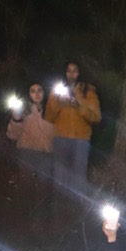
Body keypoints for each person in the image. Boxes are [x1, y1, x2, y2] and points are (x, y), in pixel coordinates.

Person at [44, 62, 101, 192]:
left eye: (75, 70)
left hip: (81, 139)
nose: (71, 74)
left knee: (79, 176)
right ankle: (60, 206)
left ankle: (77, 208)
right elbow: (48, 117)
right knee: (60, 176)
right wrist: (59, 103)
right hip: (61, 138)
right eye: (68, 71)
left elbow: (96, 117)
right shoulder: (57, 91)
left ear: (80, 72)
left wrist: (78, 106)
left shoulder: (89, 91)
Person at [6, 82, 54, 179]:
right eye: (33, 91)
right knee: (26, 185)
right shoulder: (23, 111)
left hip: (47, 155)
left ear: (45, 92)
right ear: (28, 94)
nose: (36, 94)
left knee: (43, 187)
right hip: (27, 154)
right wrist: (16, 119)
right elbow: (12, 135)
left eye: (39, 90)